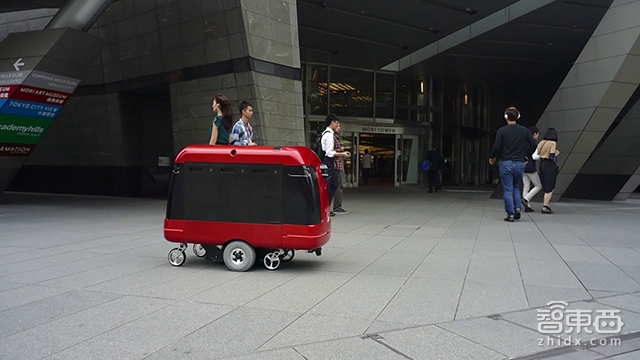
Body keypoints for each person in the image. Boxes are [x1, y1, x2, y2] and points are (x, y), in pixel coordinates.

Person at [489, 107, 537, 222]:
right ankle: (517, 209)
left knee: (507, 189)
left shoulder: (502, 131)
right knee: (516, 186)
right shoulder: (524, 130)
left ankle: (510, 214)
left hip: (506, 162)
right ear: (518, 117)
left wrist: (492, 156)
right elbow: (534, 144)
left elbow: (497, 147)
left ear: (506, 117)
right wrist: (526, 155)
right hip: (520, 162)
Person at [320, 114, 350, 215]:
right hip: (328, 161)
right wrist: (342, 153)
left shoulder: (327, 133)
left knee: (333, 185)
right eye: (337, 123)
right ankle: (325, 208)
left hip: (328, 161)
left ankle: (326, 208)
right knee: (331, 185)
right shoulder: (329, 135)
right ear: (332, 122)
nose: (338, 125)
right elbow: (329, 152)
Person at [536, 128, 560, 214]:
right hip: (549, 165)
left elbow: (538, 153)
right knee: (550, 186)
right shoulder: (552, 143)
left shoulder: (541, 143)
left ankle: (546, 205)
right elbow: (552, 155)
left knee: (545, 184)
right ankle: (545, 206)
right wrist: (557, 153)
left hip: (541, 164)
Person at [521, 126, 542, 212]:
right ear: (535, 134)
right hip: (530, 166)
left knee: (526, 186)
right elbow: (534, 156)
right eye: (538, 134)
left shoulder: (523, 142)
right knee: (538, 185)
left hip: (522, 166)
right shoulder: (534, 143)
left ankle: (527, 206)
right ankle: (526, 199)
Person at [332, 123, 349, 214]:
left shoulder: (336, 137)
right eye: (338, 126)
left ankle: (336, 206)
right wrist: (341, 150)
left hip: (338, 165)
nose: (339, 128)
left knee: (336, 186)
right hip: (336, 165)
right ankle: (337, 207)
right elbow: (330, 151)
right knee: (339, 186)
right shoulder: (332, 137)